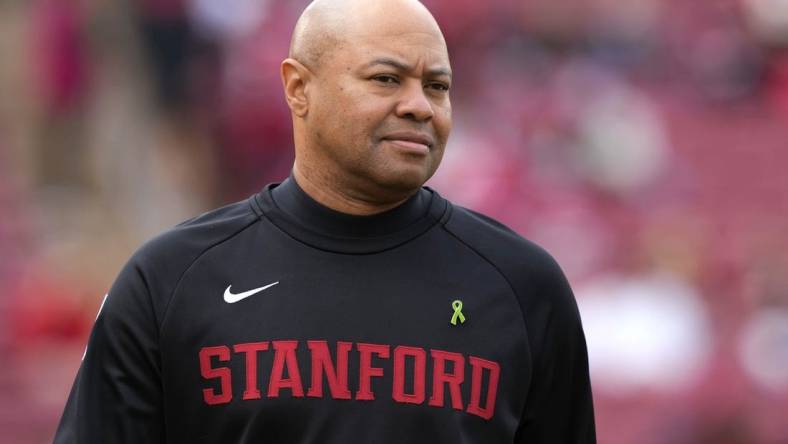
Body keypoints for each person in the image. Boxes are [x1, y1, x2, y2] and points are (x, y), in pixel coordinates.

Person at [53, 0, 596, 442]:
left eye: (437, 86)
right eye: (386, 79)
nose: (420, 106)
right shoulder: (171, 279)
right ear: (297, 87)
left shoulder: (524, 287)